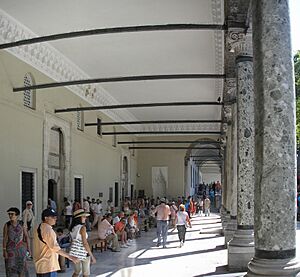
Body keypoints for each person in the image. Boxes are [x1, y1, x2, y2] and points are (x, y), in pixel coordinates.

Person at [33, 208, 79, 276]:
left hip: (41, 266)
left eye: (56, 217)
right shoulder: (48, 230)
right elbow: (55, 248)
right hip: (48, 266)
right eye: (53, 217)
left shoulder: (39, 227)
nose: (55, 219)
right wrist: (70, 257)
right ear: (46, 218)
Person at [3, 207, 29, 277]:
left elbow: (26, 236)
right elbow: (5, 238)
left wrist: (29, 249)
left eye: (12, 214)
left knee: (22, 267)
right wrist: (4, 250)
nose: (10, 216)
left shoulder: (21, 224)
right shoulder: (7, 225)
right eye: (9, 214)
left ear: (17, 215)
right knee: (11, 267)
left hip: (21, 249)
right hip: (10, 249)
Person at [69, 209, 96, 277]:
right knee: (86, 273)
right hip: (83, 252)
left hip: (75, 252)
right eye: (83, 216)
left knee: (77, 271)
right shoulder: (82, 228)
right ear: (79, 218)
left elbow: (72, 240)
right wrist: (92, 256)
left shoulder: (73, 228)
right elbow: (85, 243)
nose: (85, 218)